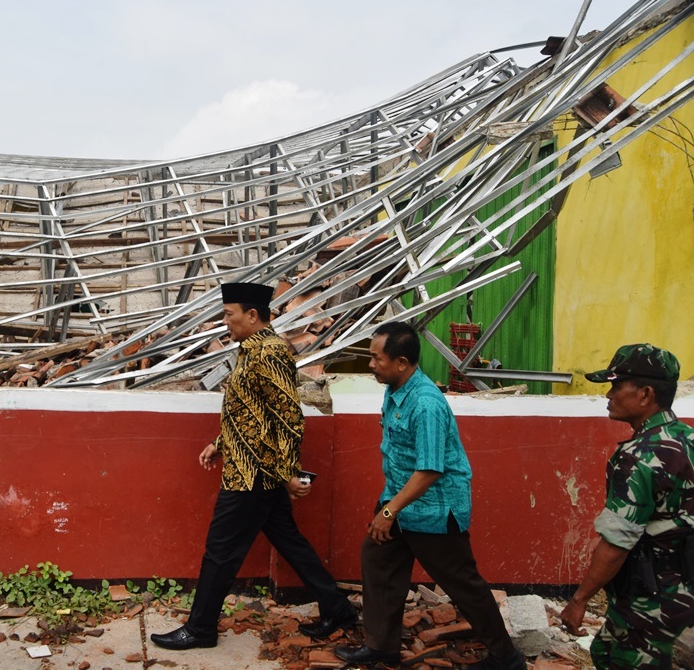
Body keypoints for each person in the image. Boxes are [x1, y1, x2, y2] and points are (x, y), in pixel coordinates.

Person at [150, 282, 356, 651]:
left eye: (229, 315)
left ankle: (200, 629)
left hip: (255, 474)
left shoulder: (271, 352)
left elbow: (288, 417)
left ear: (253, 315)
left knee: (219, 550)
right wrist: (220, 443)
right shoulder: (251, 350)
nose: (225, 322)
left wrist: (288, 472)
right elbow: (250, 413)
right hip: (250, 466)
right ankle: (338, 608)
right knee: (289, 541)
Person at [334, 321, 525, 670]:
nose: (371, 364)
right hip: (400, 502)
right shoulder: (394, 389)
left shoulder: (426, 404)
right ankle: (381, 647)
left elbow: (430, 469)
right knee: (378, 562)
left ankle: (506, 658)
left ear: (402, 362)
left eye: (377, 359)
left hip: (434, 511)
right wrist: (390, 507)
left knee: (463, 585)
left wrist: (388, 512)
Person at [559, 344, 694, 669]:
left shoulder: (638, 457)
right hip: (683, 586)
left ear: (646, 394)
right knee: (606, 650)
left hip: (651, 595)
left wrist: (579, 600)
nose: (609, 394)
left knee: (619, 659)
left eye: (617, 385)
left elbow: (618, 542)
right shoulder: (686, 438)